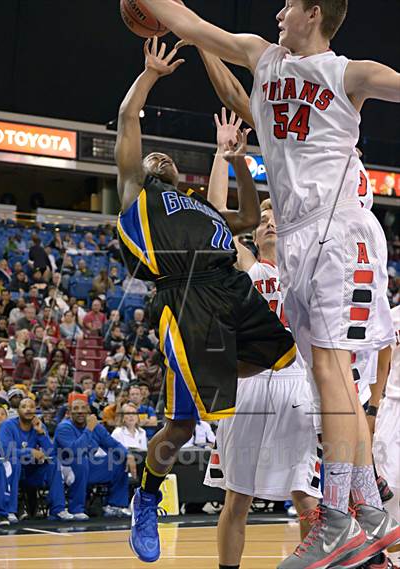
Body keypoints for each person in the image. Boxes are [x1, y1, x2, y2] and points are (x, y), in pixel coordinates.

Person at [137, 1, 400, 567]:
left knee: (333, 371)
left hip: (337, 229)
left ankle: (337, 520)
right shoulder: (264, 59)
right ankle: (366, 512)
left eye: (288, 5)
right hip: (301, 244)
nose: (278, 11)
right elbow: (193, 27)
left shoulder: (349, 72)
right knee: (335, 377)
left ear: (313, 12)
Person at [115, 38, 294, 562]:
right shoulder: (135, 193)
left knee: (284, 358)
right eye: (153, 156)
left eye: (165, 157)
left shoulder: (200, 207)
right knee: (183, 424)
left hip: (228, 290)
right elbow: (128, 117)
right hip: (185, 297)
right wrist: (149, 75)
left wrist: (237, 160)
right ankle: (146, 495)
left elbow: (246, 212)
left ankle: (205, 388)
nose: (159, 156)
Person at [203, 112, 322, 564]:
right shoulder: (247, 269)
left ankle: (321, 559)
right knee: (238, 498)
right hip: (248, 383)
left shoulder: (304, 265)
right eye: (263, 218)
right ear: (253, 231)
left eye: (277, 218)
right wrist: (225, 155)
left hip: (296, 384)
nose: (270, 222)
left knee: (305, 495)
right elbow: (214, 218)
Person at [54, 396, 134, 520]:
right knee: (81, 460)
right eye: (76, 408)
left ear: (88, 411)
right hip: (66, 467)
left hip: (88, 467)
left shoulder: (96, 427)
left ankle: (114, 505)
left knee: (118, 459)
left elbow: (113, 444)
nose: (80, 411)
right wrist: (89, 429)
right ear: (69, 413)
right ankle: (76, 509)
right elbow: (75, 451)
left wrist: (128, 454)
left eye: (83, 408)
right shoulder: (64, 427)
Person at [0, 397, 74, 522]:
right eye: (24, 406)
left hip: (32, 472)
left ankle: (58, 509)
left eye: (31, 406)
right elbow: (5, 451)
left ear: (36, 409)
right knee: (14, 462)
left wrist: (41, 433)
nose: (28, 409)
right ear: (18, 411)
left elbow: (51, 452)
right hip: (13, 470)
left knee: (53, 463)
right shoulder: (8, 425)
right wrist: (30, 451)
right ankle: (10, 511)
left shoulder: (39, 425)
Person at [373, 305, 400, 567]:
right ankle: (394, 555)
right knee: (389, 484)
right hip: (393, 404)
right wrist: (374, 405)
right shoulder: (391, 316)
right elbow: (381, 364)